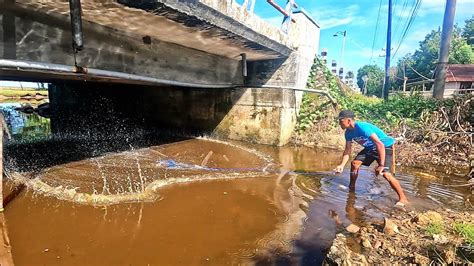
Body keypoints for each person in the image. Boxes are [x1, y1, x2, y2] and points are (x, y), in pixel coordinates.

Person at [333, 110, 408, 206]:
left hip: (385, 146)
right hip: (370, 148)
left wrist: (381, 165)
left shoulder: (362, 127)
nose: (339, 124)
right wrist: (342, 165)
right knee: (354, 163)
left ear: (348, 121)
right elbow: (347, 149)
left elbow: (379, 144)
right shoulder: (348, 133)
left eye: (341, 121)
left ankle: (403, 198)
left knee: (386, 174)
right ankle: (351, 188)